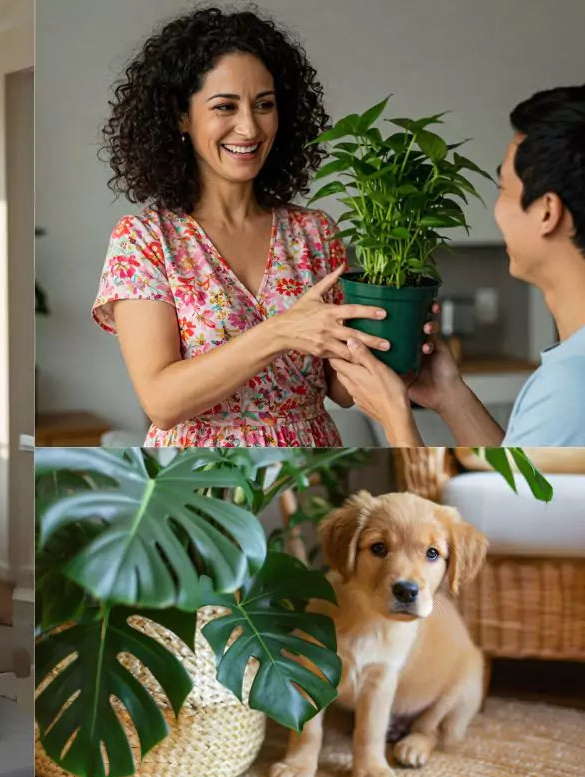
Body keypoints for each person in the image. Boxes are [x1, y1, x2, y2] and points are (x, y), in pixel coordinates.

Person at [90, 7, 402, 448]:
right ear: (182, 116)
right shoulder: (145, 241)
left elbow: (340, 390)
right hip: (194, 475)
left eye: (264, 105)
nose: (250, 127)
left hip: (309, 462)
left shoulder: (315, 233)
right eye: (225, 106)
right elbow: (161, 401)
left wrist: (396, 339)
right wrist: (279, 332)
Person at [331, 84, 585, 446]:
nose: (497, 209)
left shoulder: (579, 384)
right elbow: (522, 481)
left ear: (548, 212)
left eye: (504, 189)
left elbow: (508, 505)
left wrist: (394, 415)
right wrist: (450, 397)